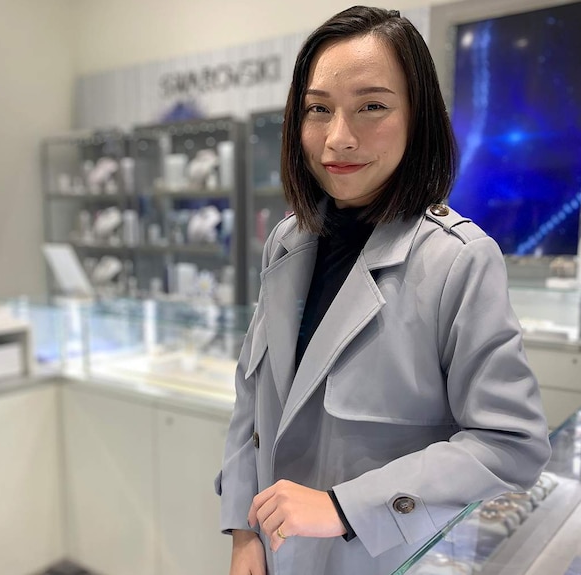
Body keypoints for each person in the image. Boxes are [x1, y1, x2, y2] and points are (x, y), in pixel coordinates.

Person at [214, 6, 552, 575]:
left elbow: (509, 443)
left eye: (372, 106)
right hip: (275, 555)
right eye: (318, 110)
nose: (339, 138)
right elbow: (252, 402)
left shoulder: (458, 260)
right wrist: (242, 528)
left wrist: (346, 507)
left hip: (381, 560)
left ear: (418, 117)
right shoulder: (287, 242)